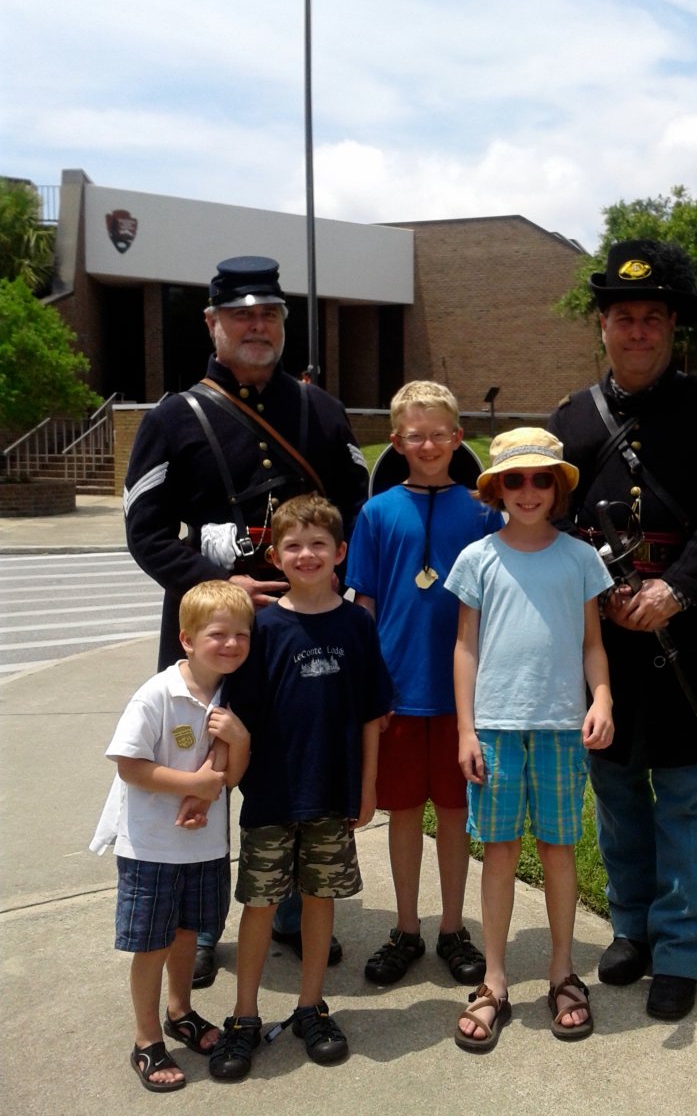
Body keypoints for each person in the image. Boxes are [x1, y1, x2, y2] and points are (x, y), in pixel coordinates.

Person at [124, 255, 369, 986]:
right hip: (213, 632)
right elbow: (145, 528)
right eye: (241, 315)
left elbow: (357, 507)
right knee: (199, 770)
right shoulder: (173, 417)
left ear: (283, 324)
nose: (256, 326)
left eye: (268, 315)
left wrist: (332, 588)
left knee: (293, 760)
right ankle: (196, 923)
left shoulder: (319, 412)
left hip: (302, 625)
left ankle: (292, 906)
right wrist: (216, 583)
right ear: (212, 324)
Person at [546, 239, 697, 1021]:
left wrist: (675, 589)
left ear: (672, 327)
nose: (637, 331)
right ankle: (633, 926)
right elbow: (544, 517)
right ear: (601, 326)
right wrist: (597, 590)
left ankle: (681, 948)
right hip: (602, 637)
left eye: (651, 318)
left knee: (682, 789)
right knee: (614, 786)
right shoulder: (571, 419)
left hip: (690, 627)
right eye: (622, 317)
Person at [209, 495, 393, 1079]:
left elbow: (371, 714)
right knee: (260, 905)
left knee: (320, 900)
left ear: (340, 552)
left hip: (332, 792)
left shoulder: (358, 624)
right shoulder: (260, 628)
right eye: (293, 545)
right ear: (274, 555)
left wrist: (367, 788)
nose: (306, 554)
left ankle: (311, 1005)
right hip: (270, 793)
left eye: (319, 544)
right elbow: (237, 718)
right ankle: (243, 1017)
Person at [444, 429, 614, 1051]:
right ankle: (493, 979)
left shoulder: (579, 559)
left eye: (541, 478)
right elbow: (465, 647)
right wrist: (465, 729)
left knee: (559, 849)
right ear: (496, 490)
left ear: (557, 487)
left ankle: (563, 971)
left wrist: (602, 698)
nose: (528, 490)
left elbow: (593, 644)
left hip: (561, 730)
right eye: (514, 480)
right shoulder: (478, 558)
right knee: (499, 850)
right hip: (494, 727)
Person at [345, 381, 503, 987]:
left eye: (440, 434)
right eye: (417, 435)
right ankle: (407, 927)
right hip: (398, 691)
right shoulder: (377, 511)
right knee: (405, 811)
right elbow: (364, 604)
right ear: (397, 441)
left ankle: (453, 928)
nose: (429, 444)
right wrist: (367, 690)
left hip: (467, 694)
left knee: (457, 813)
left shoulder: (484, 511)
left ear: (458, 438)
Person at [89, 580, 253, 1092]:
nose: (230, 645)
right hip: (152, 845)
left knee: (189, 934)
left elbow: (235, 776)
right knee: (152, 944)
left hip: (204, 846)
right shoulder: (158, 693)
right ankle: (145, 1039)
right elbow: (129, 765)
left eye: (241, 635)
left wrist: (239, 741)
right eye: (217, 635)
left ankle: (180, 1012)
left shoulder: (233, 693)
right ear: (186, 639)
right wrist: (196, 784)